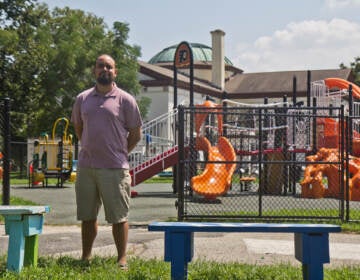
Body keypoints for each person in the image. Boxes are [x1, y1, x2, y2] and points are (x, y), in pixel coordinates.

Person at [71, 54, 142, 269]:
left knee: (119, 217)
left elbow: (136, 134)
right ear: (95, 71)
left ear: (115, 72)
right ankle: (86, 256)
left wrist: (120, 152)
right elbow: (78, 128)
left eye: (109, 67)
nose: (105, 69)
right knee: (87, 216)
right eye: (101, 66)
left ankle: (121, 259)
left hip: (115, 168)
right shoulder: (82, 99)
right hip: (87, 168)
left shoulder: (126, 100)